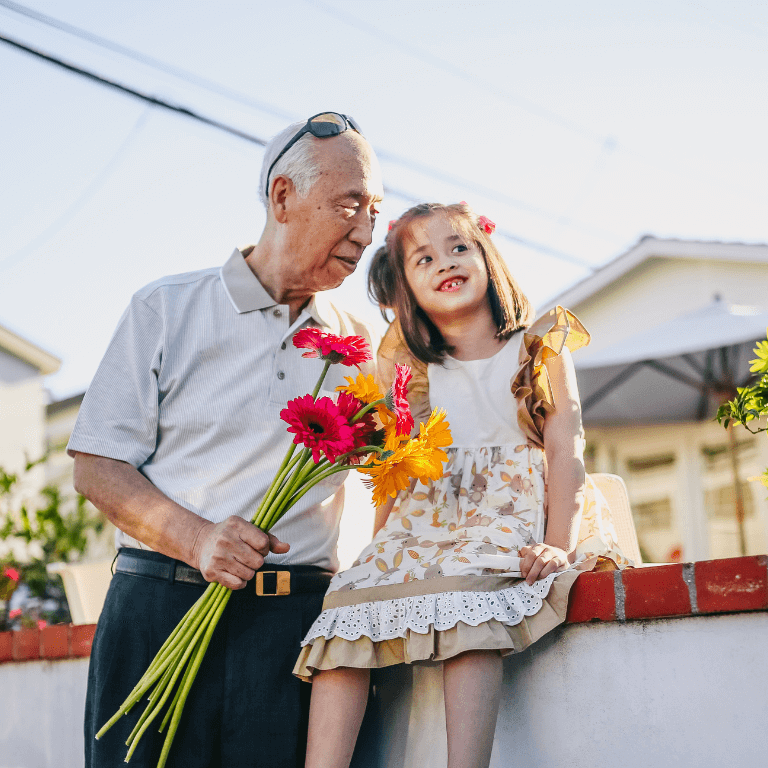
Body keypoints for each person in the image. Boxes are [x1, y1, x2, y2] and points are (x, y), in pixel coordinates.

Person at [68, 112, 384, 768]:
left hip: (296, 633)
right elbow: (97, 465)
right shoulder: (166, 307)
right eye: (349, 204)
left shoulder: (364, 344)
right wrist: (198, 539)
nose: (365, 230)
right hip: (160, 612)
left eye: (375, 210)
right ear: (282, 197)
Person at [294, 202, 628, 768]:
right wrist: (371, 552)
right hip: (429, 518)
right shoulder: (414, 370)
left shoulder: (537, 347)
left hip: (510, 512)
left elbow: (565, 450)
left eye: (458, 247)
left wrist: (559, 542)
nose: (445, 262)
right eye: (423, 258)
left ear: (486, 258)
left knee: (470, 601)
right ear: (405, 289)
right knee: (347, 603)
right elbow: (396, 475)